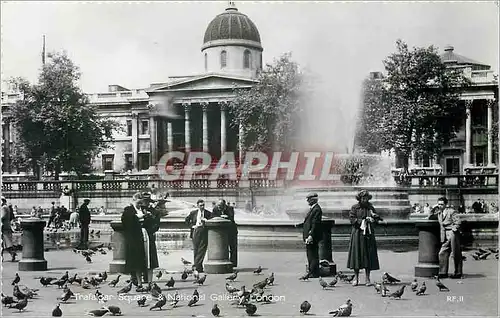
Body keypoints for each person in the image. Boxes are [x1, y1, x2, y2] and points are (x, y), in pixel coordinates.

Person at [347, 190, 381, 286]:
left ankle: (367, 279)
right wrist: (362, 221)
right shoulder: (354, 208)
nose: (365, 200)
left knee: (368, 256)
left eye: (366, 198)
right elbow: (351, 219)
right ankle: (356, 278)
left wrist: (373, 218)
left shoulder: (370, 207)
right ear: (359, 199)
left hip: (368, 235)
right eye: (363, 198)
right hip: (358, 234)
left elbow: (376, 219)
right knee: (356, 256)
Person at [429, 196, 463, 279]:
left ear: (445, 204)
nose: (440, 206)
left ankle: (458, 273)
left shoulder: (451, 211)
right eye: (439, 204)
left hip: (452, 233)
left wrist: (454, 228)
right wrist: (432, 208)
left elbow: (458, 221)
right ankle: (443, 272)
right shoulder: (439, 213)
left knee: (456, 254)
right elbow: (430, 216)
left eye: (442, 204)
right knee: (442, 252)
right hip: (445, 235)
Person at [122, 193, 148, 286]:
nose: (140, 205)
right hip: (133, 238)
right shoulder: (128, 210)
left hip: (142, 237)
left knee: (141, 259)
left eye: (141, 203)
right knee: (135, 259)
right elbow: (126, 222)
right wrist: (138, 217)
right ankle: (136, 279)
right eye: (139, 203)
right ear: (134, 200)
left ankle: (140, 279)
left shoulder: (144, 210)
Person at [296, 192, 323, 278]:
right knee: (310, 254)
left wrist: (311, 235)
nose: (307, 201)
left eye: (309, 199)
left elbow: (315, 224)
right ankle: (312, 271)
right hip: (310, 236)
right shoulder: (314, 209)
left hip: (312, 236)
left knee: (313, 254)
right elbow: (309, 222)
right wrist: (300, 225)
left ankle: (314, 273)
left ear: (313, 200)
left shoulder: (317, 209)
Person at [185, 199, 212, 272]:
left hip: (204, 231)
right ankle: (198, 267)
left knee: (202, 249)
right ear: (197, 206)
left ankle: (196, 266)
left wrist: (206, 221)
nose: (202, 207)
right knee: (196, 250)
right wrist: (192, 226)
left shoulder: (208, 213)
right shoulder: (193, 213)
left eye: (203, 205)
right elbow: (186, 220)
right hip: (195, 231)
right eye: (200, 205)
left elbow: (212, 221)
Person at [212, 199, 238, 267]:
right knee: (223, 247)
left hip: (231, 231)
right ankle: (224, 261)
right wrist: (220, 216)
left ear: (224, 205)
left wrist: (227, 216)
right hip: (221, 232)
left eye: (220, 206)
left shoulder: (230, 208)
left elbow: (231, 217)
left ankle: (233, 263)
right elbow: (213, 217)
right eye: (218, 206)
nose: (219, 207)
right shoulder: (215, 209)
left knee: (233, 247)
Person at [141, 192, 161, 283]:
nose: (145, 203)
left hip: (149, 235)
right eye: (144, 201)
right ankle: (137, 278)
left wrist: (151, 230)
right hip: (139, 235)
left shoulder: (154, 211)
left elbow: (157, 224)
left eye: (147, 201)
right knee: (140, 256)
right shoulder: (137, 210)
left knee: (150, 257)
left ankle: (147, 278)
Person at [1, 196, 17, 262]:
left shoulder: (4, 208)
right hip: (6, 226)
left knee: (5, 242)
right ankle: (12, 253)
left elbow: (2, 216)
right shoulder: (7, 207)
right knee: (6, 242)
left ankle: (11, 253)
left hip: (3, 227)